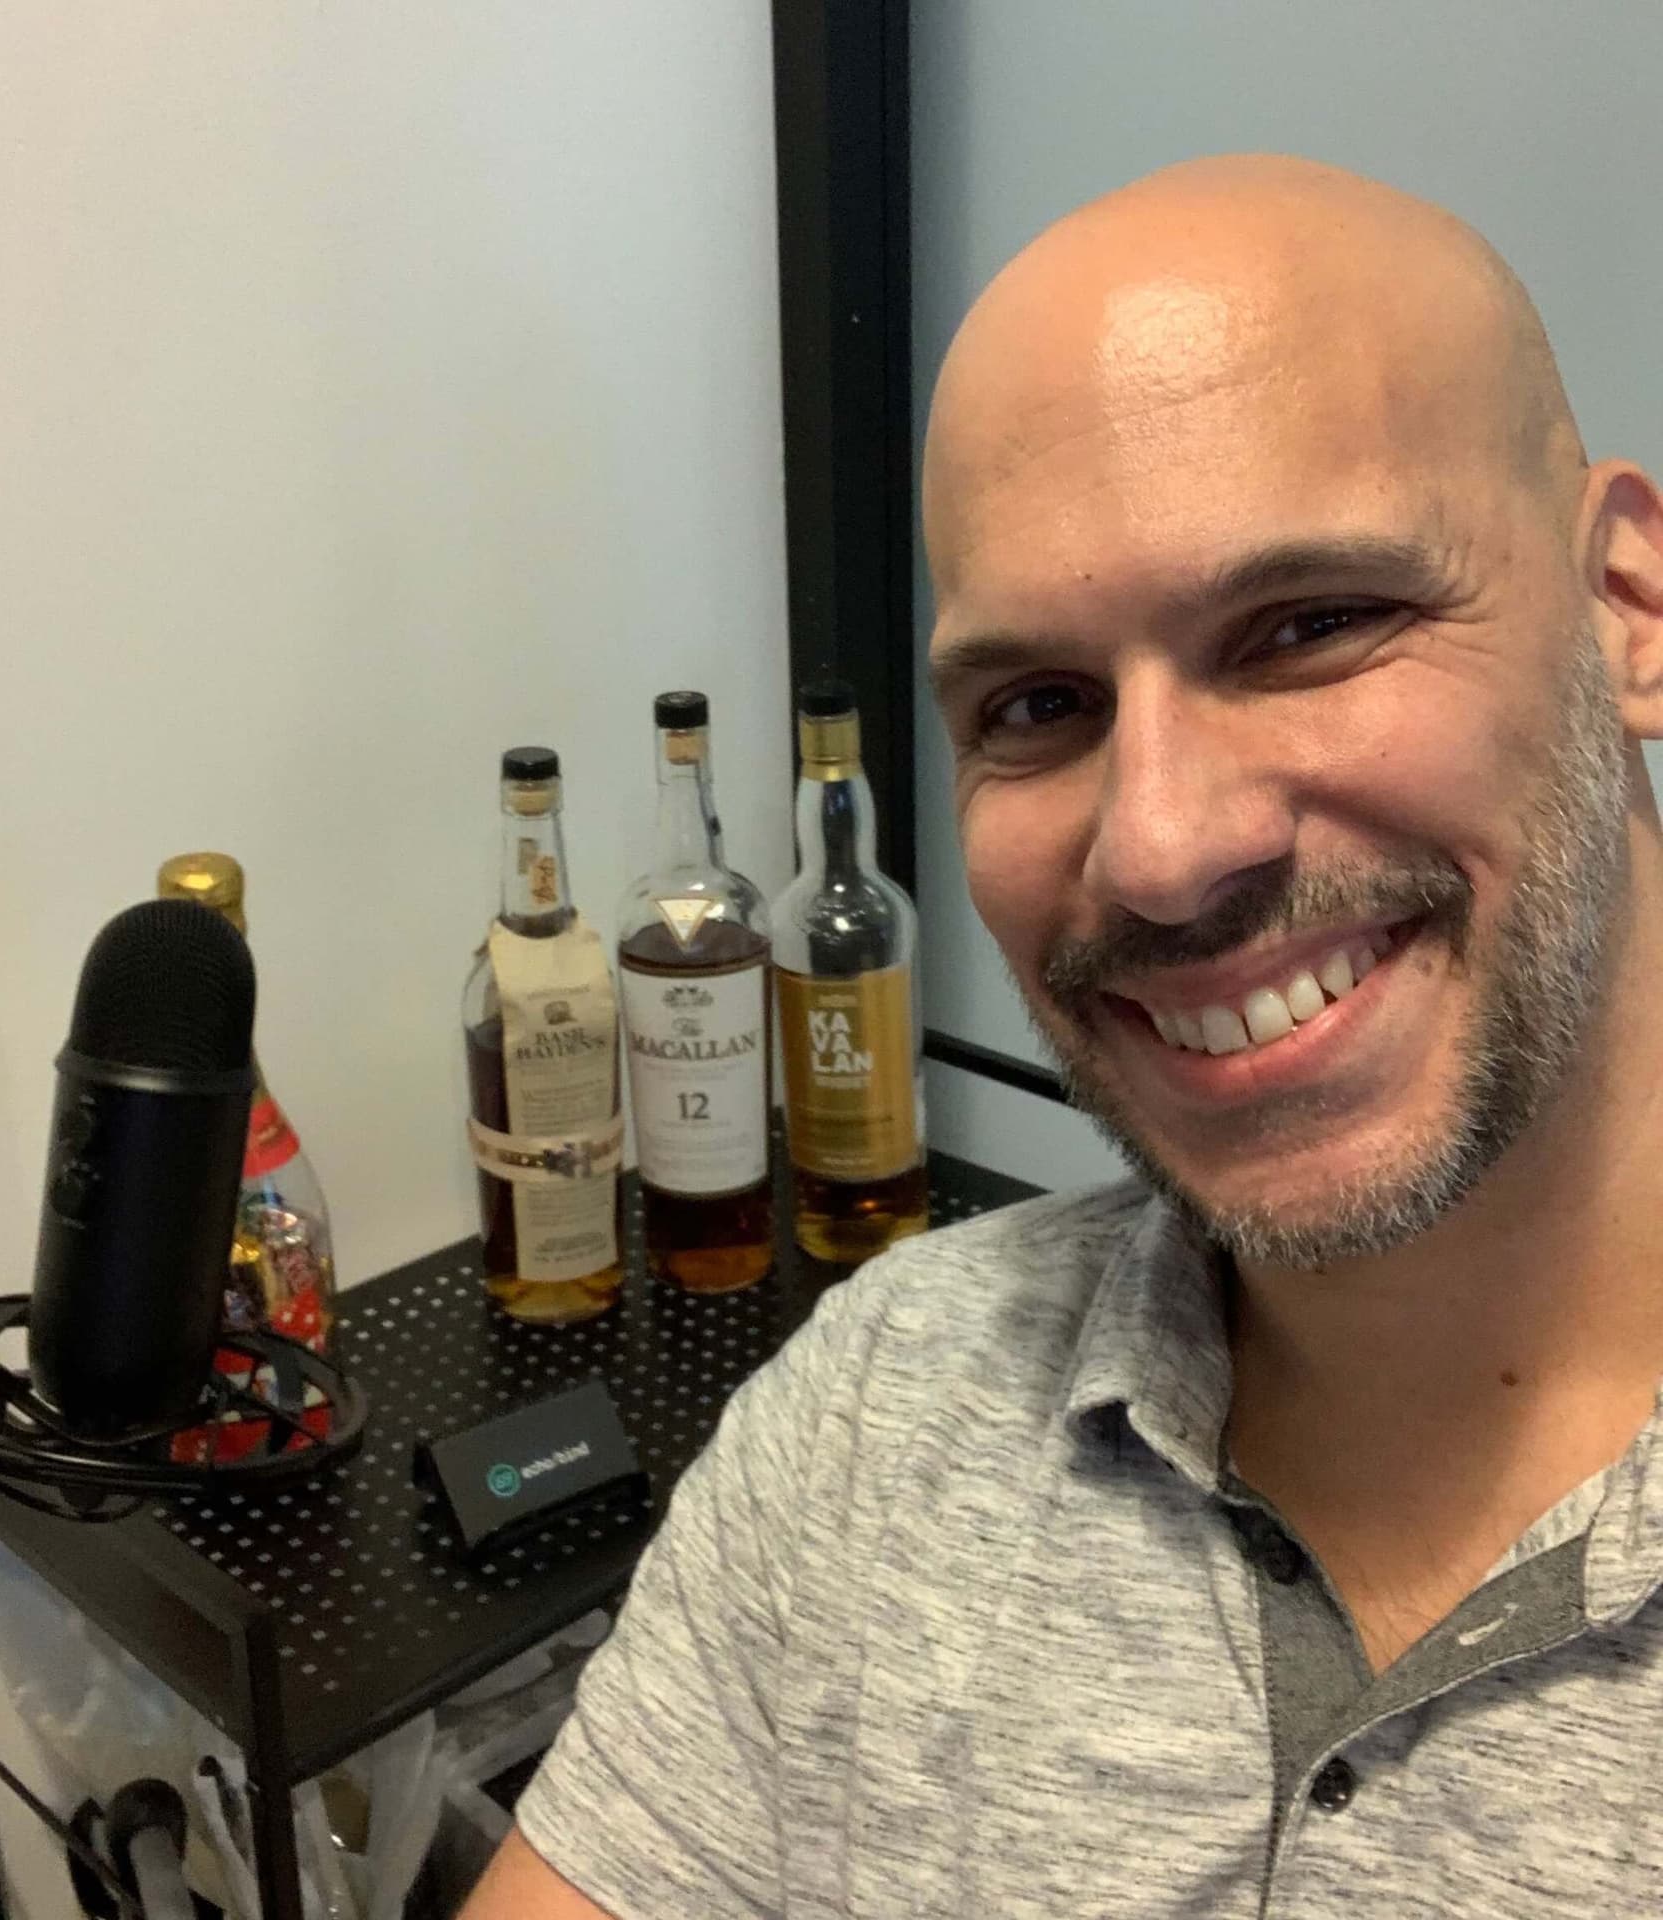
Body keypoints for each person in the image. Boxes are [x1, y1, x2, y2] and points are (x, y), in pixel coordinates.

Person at [461, 154, 1663, 1916]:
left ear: (1626, 610)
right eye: (1039, 705)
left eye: (1313, 626)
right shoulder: (884, 1415)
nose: (1162, 851)